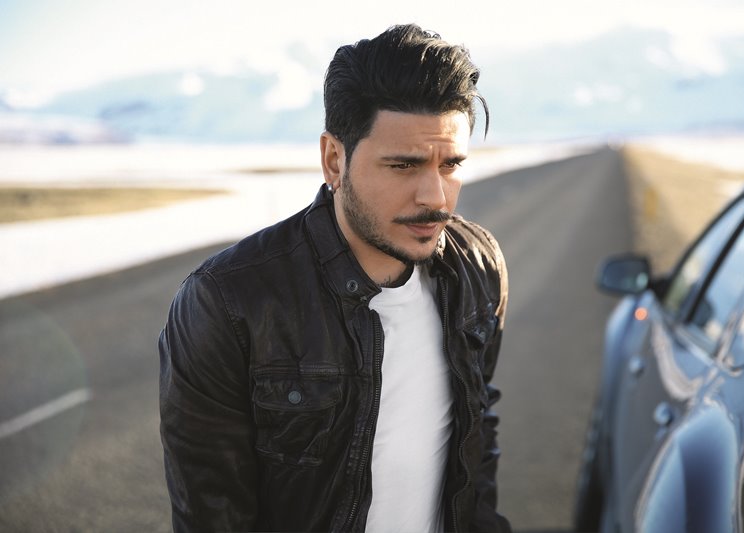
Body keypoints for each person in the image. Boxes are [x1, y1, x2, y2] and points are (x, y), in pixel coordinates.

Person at [159, 23, 511, 533]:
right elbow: (212, 515)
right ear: (333, 160)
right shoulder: (228, 302)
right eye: (403, 166)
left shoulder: (477, 267)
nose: (435, 197)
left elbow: (479, 438)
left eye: (450, 164)